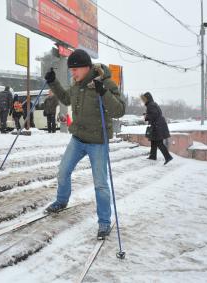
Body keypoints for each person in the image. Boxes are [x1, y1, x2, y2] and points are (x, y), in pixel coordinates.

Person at [43, 49, 126, 239]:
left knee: (100, 184)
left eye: (75, 69)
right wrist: (52, 81)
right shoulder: (77, 85)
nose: (73, 73)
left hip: (97, 142)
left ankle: (104, 222)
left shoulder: (105, 82)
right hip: (78, 138)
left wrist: (103, 92)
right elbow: (65, 98)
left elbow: (119, 110)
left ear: (87, 67)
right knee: (63, 171)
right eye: (71, 70)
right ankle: (61, 201)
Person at [141, 92, 173, 165]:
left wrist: (147, 116)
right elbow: (157, 114)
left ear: (147, 99)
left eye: (144, 99)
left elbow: (154, 115)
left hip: (158, 126)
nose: (143, 101)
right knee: (154, 141)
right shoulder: (153, 104)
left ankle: (168, 157)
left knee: (159, 142)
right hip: (159, 125)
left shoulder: (150, 105)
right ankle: (153, 156)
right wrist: (148, 115)